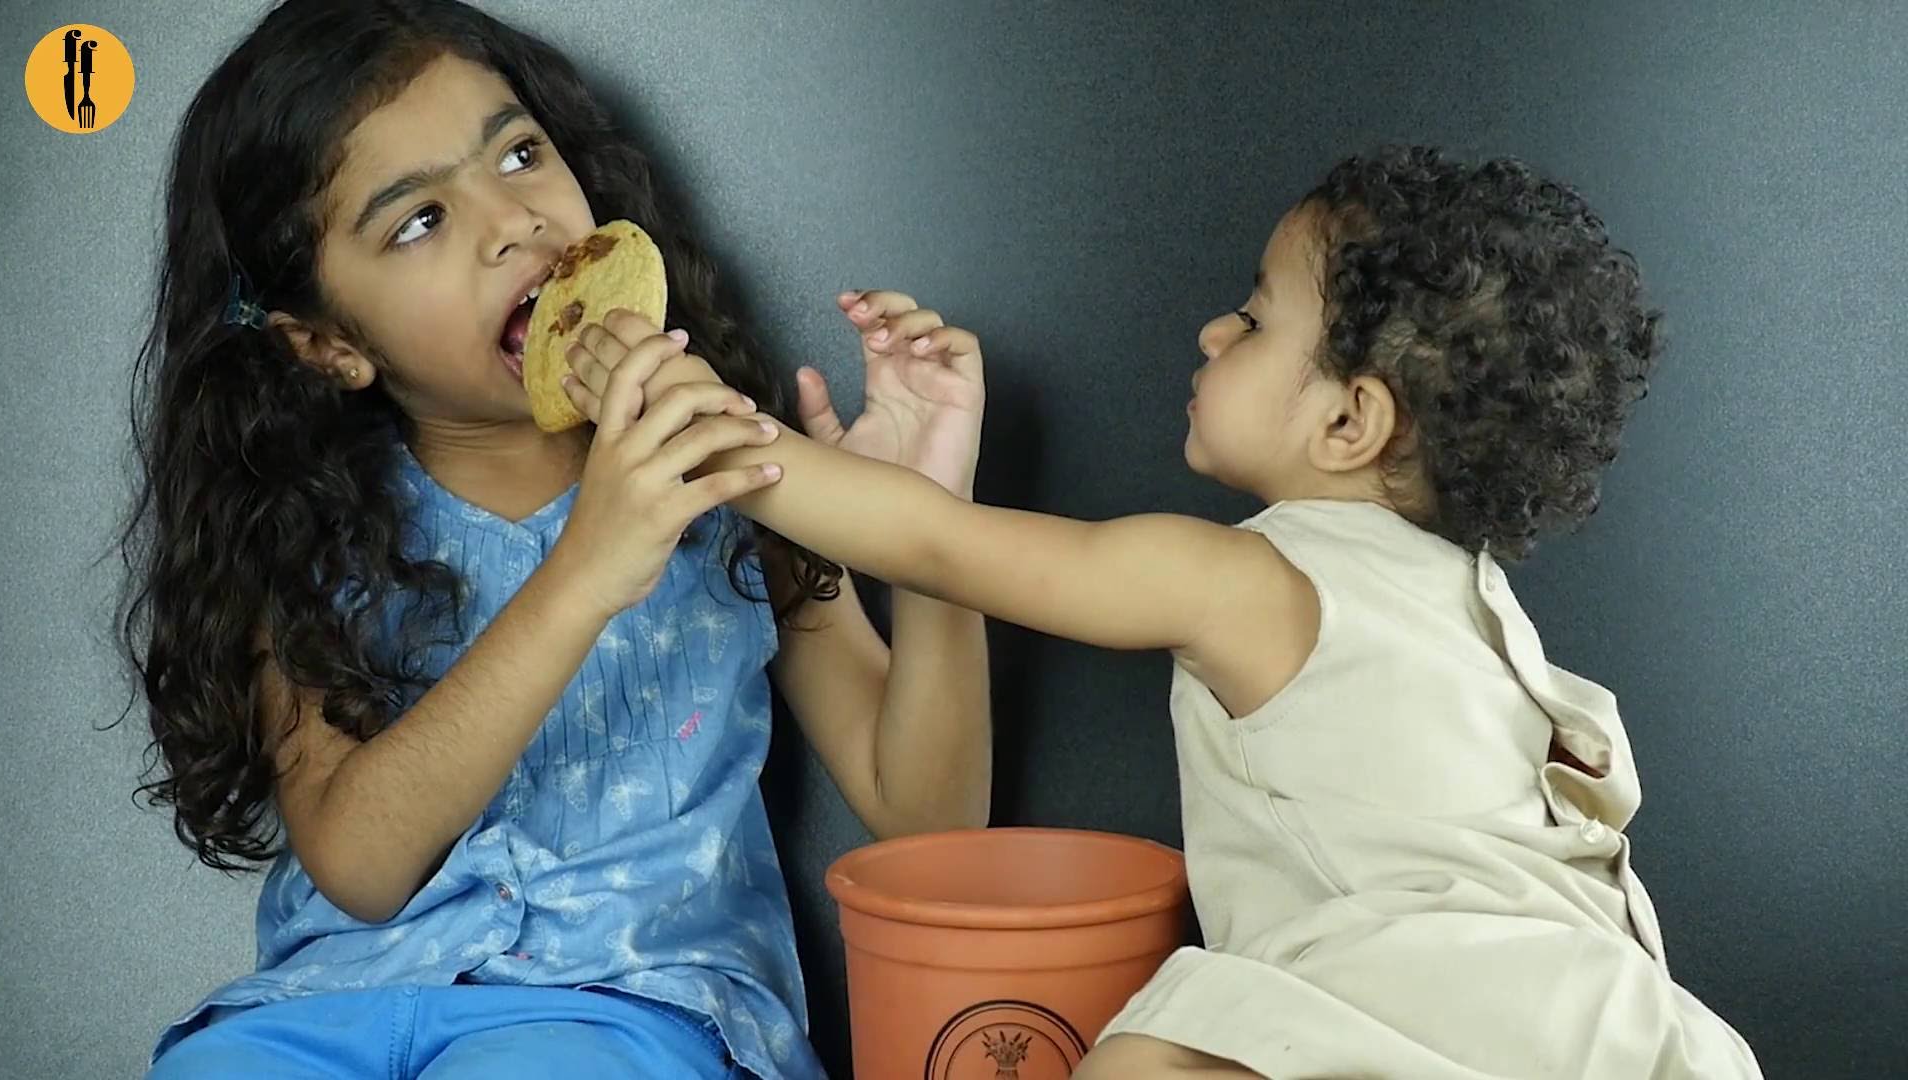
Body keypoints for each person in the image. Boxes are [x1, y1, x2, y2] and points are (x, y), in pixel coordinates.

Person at [590, 146, 1764, 1079]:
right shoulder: (1476, 601)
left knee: (1144, 1059)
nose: (1213, 331)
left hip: (1431, 1002)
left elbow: (941, 543)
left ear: (1350, 424)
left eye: (1253, 320)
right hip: (1612, 1019)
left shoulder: (1244, 580)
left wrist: (701, 416)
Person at [118, 2, 990, 1076]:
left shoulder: (724, 463)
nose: (513, 223)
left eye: (520, 154)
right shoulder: (308, 534)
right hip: (328, 1007)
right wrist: (587, 570)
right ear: (329, 344)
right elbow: (360, 864)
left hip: (628, 1008)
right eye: (420, 222)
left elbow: (929, 810)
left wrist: (927, 527)